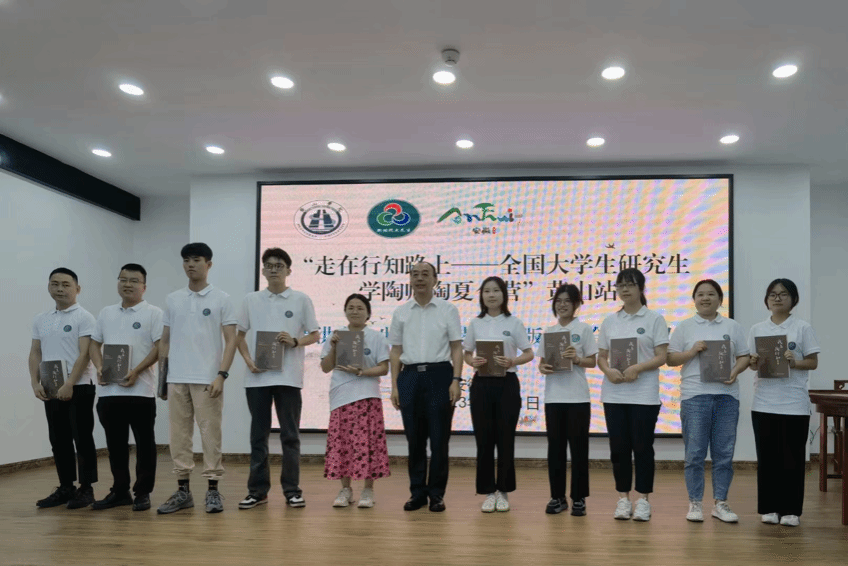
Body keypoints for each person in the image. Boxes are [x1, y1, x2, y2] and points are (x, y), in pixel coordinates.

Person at [156, 243, 238, 514]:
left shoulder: (222, 299)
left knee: (210, 435)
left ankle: (213, 490)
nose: (190, 265)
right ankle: (183, 491)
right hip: (176, 378)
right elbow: (165, 341)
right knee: (179, 436)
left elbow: (231, 340)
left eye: (196, 260)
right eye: (186, 260)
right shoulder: (173, 299)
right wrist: (163, 379)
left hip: (207, 379)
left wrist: (221, 375)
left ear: (209, 264)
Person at [235, 248, 319, 509]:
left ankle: (292, 490)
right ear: (263, 270)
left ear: (288, 270)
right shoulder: (251, 300)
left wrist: (295, 341)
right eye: (269, 265)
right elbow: (239, 336)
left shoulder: (301, 299)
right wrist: (248, 361)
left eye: (279, 265)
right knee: (258, 436)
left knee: (290, 436)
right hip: (257, 379)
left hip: (289, 378)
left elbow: (315, 334)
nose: (274, 269)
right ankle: (257, 491)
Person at [667, 280, 749, 523]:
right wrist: (692, 351)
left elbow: (744, 357)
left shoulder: (732, 326)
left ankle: (720, 503)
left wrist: (735, 371)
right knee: (694, 454)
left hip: (727, 396)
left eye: (711, 294)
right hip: (694, 396)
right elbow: (670, 359)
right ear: (694, 299)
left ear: (720, 299)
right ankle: (695, 503)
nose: (705, 298)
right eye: (700, 294)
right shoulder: (684, 327)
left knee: (724, 453)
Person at [89, 263, 163, 512]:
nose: (127, 284)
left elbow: (159, 348)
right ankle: (120, 491)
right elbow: (94, 344)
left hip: (141, 391)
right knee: (115, 445)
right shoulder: (106, 313)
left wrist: (137, 371)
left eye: (134, 280)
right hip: (109, 392)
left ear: (144, 286)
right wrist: (100, 367)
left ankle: (143, 492)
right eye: (123, 279)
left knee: (145, 444)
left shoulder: (153, 313)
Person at [389, 262, 463, 512]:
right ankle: (417, 493)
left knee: (440, 440)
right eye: (415, 274)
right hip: (409, 377)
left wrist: (456, 380)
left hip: (440, 375)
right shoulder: (401, 312)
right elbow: (396, 351)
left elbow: (456, 347)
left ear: (435, 280)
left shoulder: (447, 310)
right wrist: (395, 386)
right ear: (410, 280)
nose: (419, 278)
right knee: (415, 440)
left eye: (425, 274)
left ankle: (437, 494)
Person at [597, 268, 669, 522]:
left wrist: (638, 368)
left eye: (630, 284)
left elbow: (662, 356)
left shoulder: (654, 319)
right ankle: (623, 498)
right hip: (614, 395)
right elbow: (601, 357)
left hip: (644, 396)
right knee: (618, 449)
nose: (625, 289)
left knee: (642, 448)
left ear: (641, 288)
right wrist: (608, 371)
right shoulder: (610, 321)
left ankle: (643, 500)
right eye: (620, 285)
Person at [747, 278, 820, 527]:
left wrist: (794, 362)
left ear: (793, 299)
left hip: (794, 404)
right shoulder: (757, 329)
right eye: (773, 294)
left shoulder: (802, 327)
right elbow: (752, 364)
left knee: (792, 459)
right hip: (763, 403)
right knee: (767, 459)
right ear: (767, 300)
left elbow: (813, 362)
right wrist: (753, 362)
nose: (777, 298)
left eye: (783, 294)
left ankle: (791, 511)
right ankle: (769, 508)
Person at [30, 268, 98, 509]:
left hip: (79, 386)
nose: (60, 289)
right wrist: (35, 382)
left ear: (77, 289)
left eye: (66, 284)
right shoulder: (41, 319)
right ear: (49, 287)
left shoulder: (84, 317)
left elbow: (85, 354)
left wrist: (70, 383)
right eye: (55, 284)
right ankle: (66, 486)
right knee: (58, 439)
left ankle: (86, 488)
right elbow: (35, 352)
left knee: (82, 438)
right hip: (51, 386)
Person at [463, 276, 533, 513]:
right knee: (484, 440)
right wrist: (471, 361)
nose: (491, 295)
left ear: (504, 295)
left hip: (507, 384)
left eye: (496, 290)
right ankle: (487, 491)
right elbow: (467, 353)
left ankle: (503, 491)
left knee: (505, 439)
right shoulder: (476, 323)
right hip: (481, 384)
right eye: (486, 291)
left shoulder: (514, 322)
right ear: (481, 296)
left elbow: (529, 353)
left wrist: (513, 361)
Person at [320, 294, 390, 508]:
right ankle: (345, 490)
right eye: (351, 307)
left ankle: (368, 491)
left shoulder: (376, 337)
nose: (355, 311)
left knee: (368, 444)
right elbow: (325, 367)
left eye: (360, 308)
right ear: (345, 311)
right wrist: (334, 346)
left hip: (367, 396)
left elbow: (384, 368)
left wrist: (362, 371)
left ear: (368, 313)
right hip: (341, 396)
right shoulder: (336, 336)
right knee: (343, 444)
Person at [538, 284, 597, 516]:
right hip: (553, 398)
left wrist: (577, 359)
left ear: (576, 304)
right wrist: (544, 368)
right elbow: (542, 364)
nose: (562, 305)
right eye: (558, 301)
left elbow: (592, 361)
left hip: (578, 398)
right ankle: (557, 497)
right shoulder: (549, 331)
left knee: (579, 450)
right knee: (555, 450)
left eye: (567, 301)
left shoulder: (583, 329)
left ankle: (579, 498)